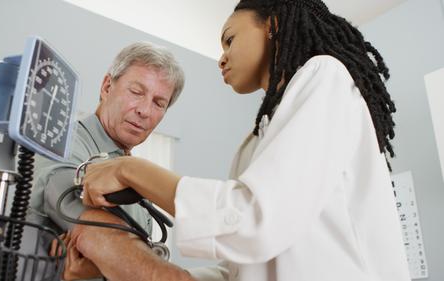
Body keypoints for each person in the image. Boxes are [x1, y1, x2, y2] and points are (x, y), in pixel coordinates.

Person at [69, 0, 412, 280]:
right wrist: (134, 269)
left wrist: (131, 171)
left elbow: (252, 220)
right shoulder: (256, 138)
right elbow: (241, 269)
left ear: (273, 25)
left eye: (229, 40)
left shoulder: (325, 75)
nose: (221, 57)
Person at [27, 41, 185, 280]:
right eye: (137, 92)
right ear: (107, 86)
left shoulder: (137, 184)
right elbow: (67, 201)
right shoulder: (62, 143)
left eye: (158, 103)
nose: (144, 110)